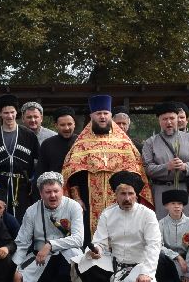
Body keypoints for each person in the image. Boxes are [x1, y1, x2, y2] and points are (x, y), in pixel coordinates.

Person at [76, 171, 162, 282]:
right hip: (115, 265)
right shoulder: (108, 214)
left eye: (130, 194)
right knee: (82, 262)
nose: (127, 198)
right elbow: (100, 242)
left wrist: (146, 273)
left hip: (139, 266)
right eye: (123, 194)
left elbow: (154, 245)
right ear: (115, 195)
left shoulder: (148, 214)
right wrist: (97, 250)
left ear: (136, 195)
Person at [64, 94, 151, 231]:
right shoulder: (80, 143)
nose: (102, 117)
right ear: (91, 116)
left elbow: (136, 172)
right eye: (98, 113)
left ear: (110, 115)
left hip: (121, 200)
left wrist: (132, 198)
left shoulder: (124, 143)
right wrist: (76, 198)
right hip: (88, 200)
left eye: (105, 113)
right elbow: (73, 174)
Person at [13, 172, 86, 282]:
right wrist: (17, 269)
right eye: (48, 192)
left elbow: (78, 239)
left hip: (67, 255)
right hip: (40, 257)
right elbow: (22, 243)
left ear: (62, 191)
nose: (52, 195)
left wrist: (51, 245)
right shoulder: (31, 211)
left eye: (56, 191)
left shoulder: (74, 207)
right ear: (41, 194)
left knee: (72, 255)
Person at [143, 101, 189, 218]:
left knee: (185, 224)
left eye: (172, 118)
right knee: (161, 223)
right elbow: (146, 168)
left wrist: (185, 167)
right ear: (159, 121)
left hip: (183, 188)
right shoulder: (150, 142)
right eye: (164, 119)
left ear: (177, 119)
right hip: (160, 190)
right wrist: (166, 167)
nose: (169, 122)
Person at [0, 94, 39, 214]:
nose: (9, 116)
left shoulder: (29, 135)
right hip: (0, 186)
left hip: (23, 187)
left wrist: (33, 181)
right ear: (0, 114)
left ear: (16, 112)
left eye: (12, 112)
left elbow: (39, 160)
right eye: (6, 113)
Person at [36, 107, 79, 178]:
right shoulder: (47, 144)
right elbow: (41, 172)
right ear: (56, 125)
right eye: (62, 125)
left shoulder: (81, 143)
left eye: (69, 124)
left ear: (74, 124)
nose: (66, 128)